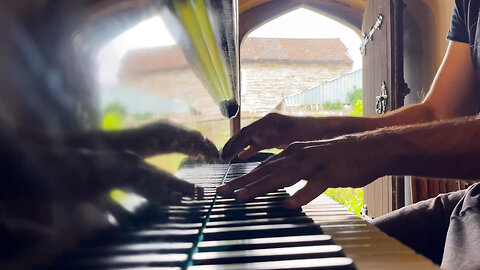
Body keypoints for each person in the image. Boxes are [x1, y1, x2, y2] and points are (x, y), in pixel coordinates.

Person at [218, 0, 480, 269]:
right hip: (471, 201)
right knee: (323, 261)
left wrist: (376, 150)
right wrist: (318, 130)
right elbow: (438, 114)